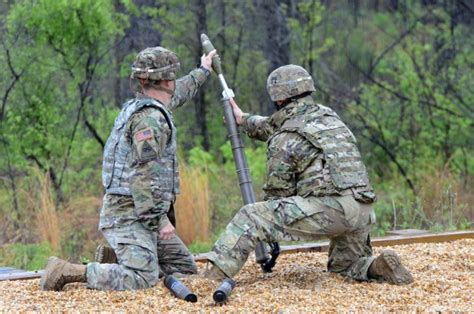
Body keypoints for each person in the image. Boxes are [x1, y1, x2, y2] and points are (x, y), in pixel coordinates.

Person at [204, 64, 413, 285]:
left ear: (279, 99)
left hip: (332, 211)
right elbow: (275, 126)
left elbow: (278, 194)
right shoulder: (329, 117)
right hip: (363, 210)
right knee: (345, 268)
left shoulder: (284, 138)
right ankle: (378, 267)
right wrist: (243, 119)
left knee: (252, 216)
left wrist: (271, 233)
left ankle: (211, 277)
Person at [40, 46, 216, 291]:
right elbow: (143, 176)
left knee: (182, 268)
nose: (175, 81)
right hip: (128, 213)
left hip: (140, 210)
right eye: (173, 76)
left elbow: (181, 92)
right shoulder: (150, 120)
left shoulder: (148, 104)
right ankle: (67, 271)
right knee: (142, 279)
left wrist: (203, 70)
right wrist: (159, 220)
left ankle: (118, 261)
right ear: (165, 80)